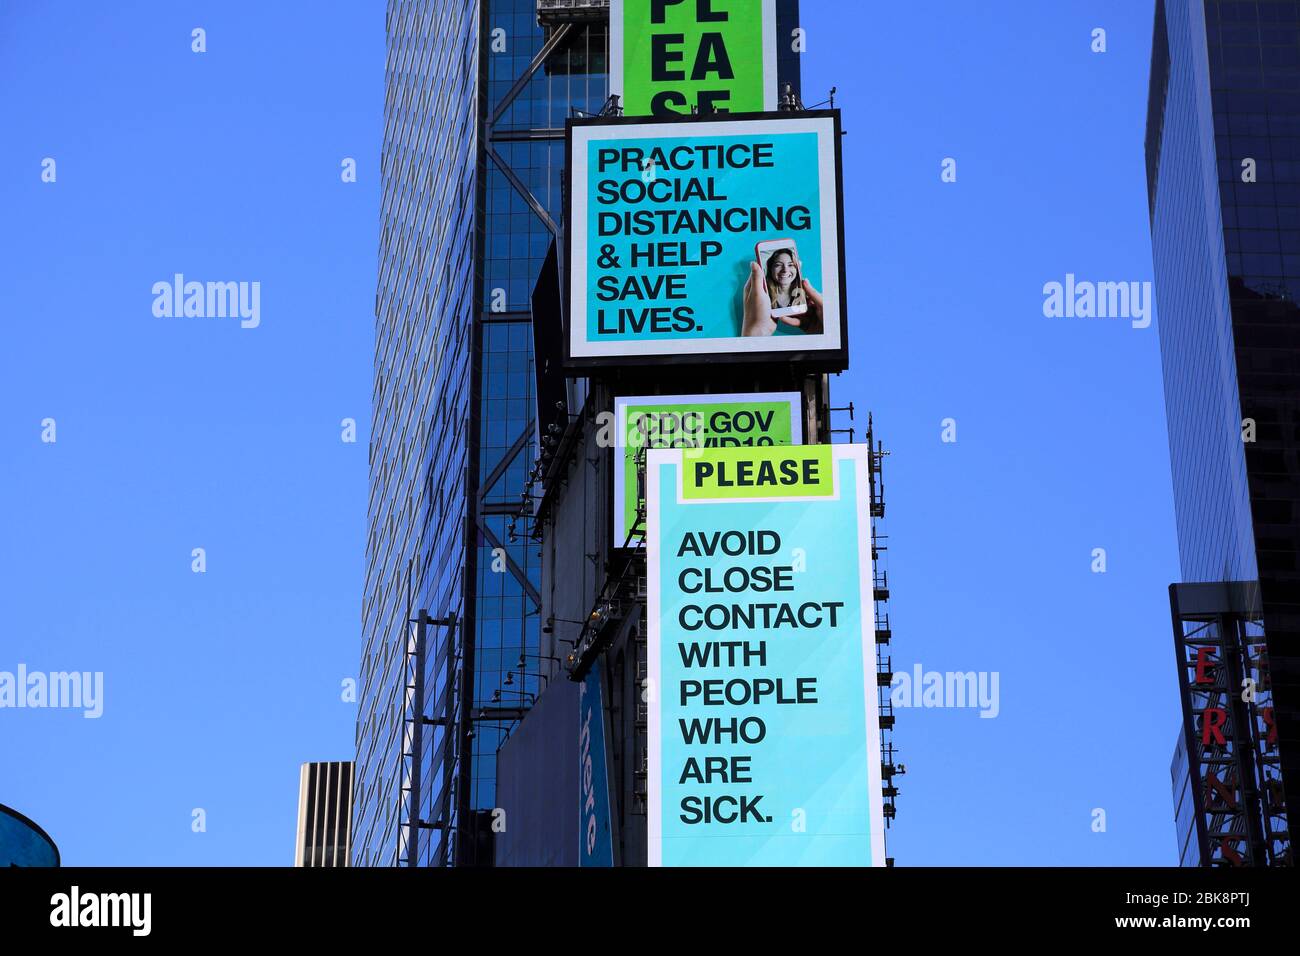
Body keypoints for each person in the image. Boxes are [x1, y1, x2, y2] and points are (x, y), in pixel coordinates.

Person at [742, 258, 824, 336]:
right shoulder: (768, 299)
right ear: (771, 269)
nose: (785, 269)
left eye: (790, 265)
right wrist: (757, 331)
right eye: (778, 265)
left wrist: (824, 329)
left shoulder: (800, 297)